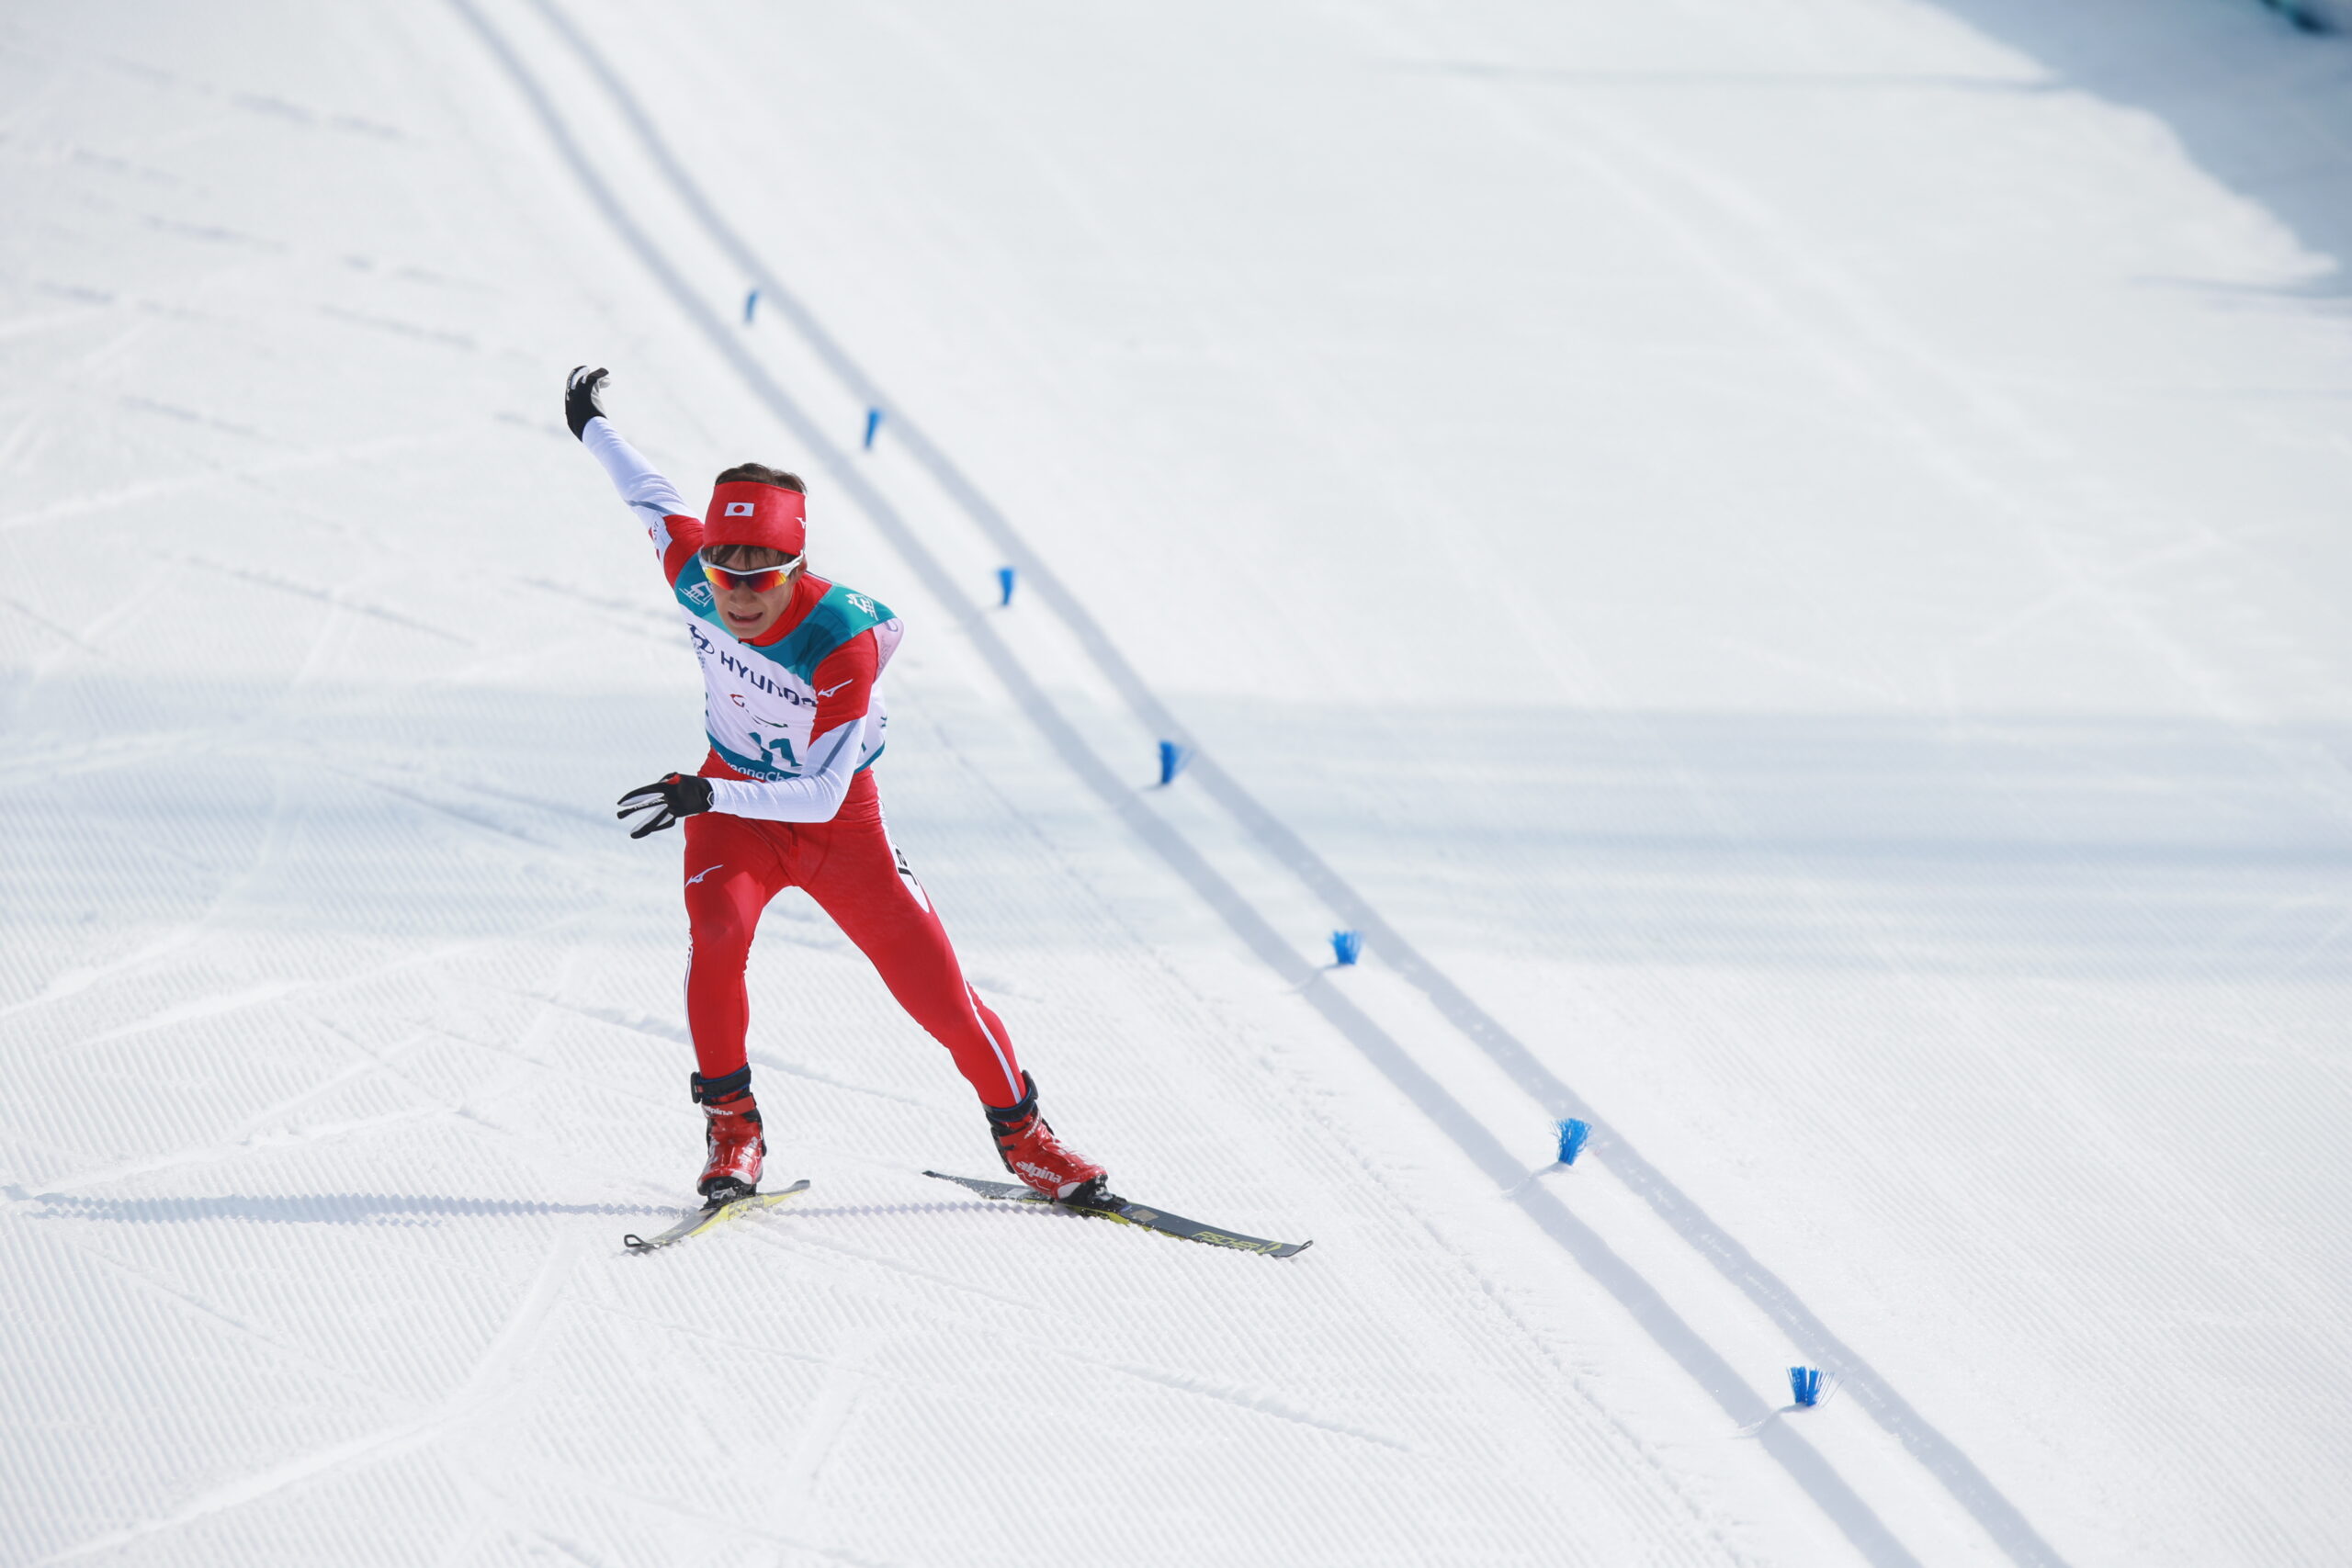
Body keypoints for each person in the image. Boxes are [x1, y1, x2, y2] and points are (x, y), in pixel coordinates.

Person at [564, 366, 1109, 1209]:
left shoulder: (840, 641)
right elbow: (649, 497)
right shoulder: (693, 571)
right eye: (724, 568)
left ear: (797, 564)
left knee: (941, 997)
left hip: (835, 827)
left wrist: (706, 797)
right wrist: (591, 426)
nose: (738, 594)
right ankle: (734, 1128)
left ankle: (1026, 1137)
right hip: (735, 807)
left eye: (762, 574)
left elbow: (820, 795)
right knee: (714, 933)